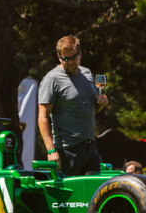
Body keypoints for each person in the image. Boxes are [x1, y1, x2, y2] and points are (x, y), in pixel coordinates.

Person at [38, 35, 108, 176]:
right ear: (59, 56)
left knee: (93, 194)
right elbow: (43, 116)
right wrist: (51, 150)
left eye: (73, 58)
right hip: (67, 149)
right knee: (71, 196)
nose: (70, 62)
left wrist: (101, 104)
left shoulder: (87, 74)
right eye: (66, 58)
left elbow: (91, 110)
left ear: (80, 54)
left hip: (90, 147)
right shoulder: (52, 79)